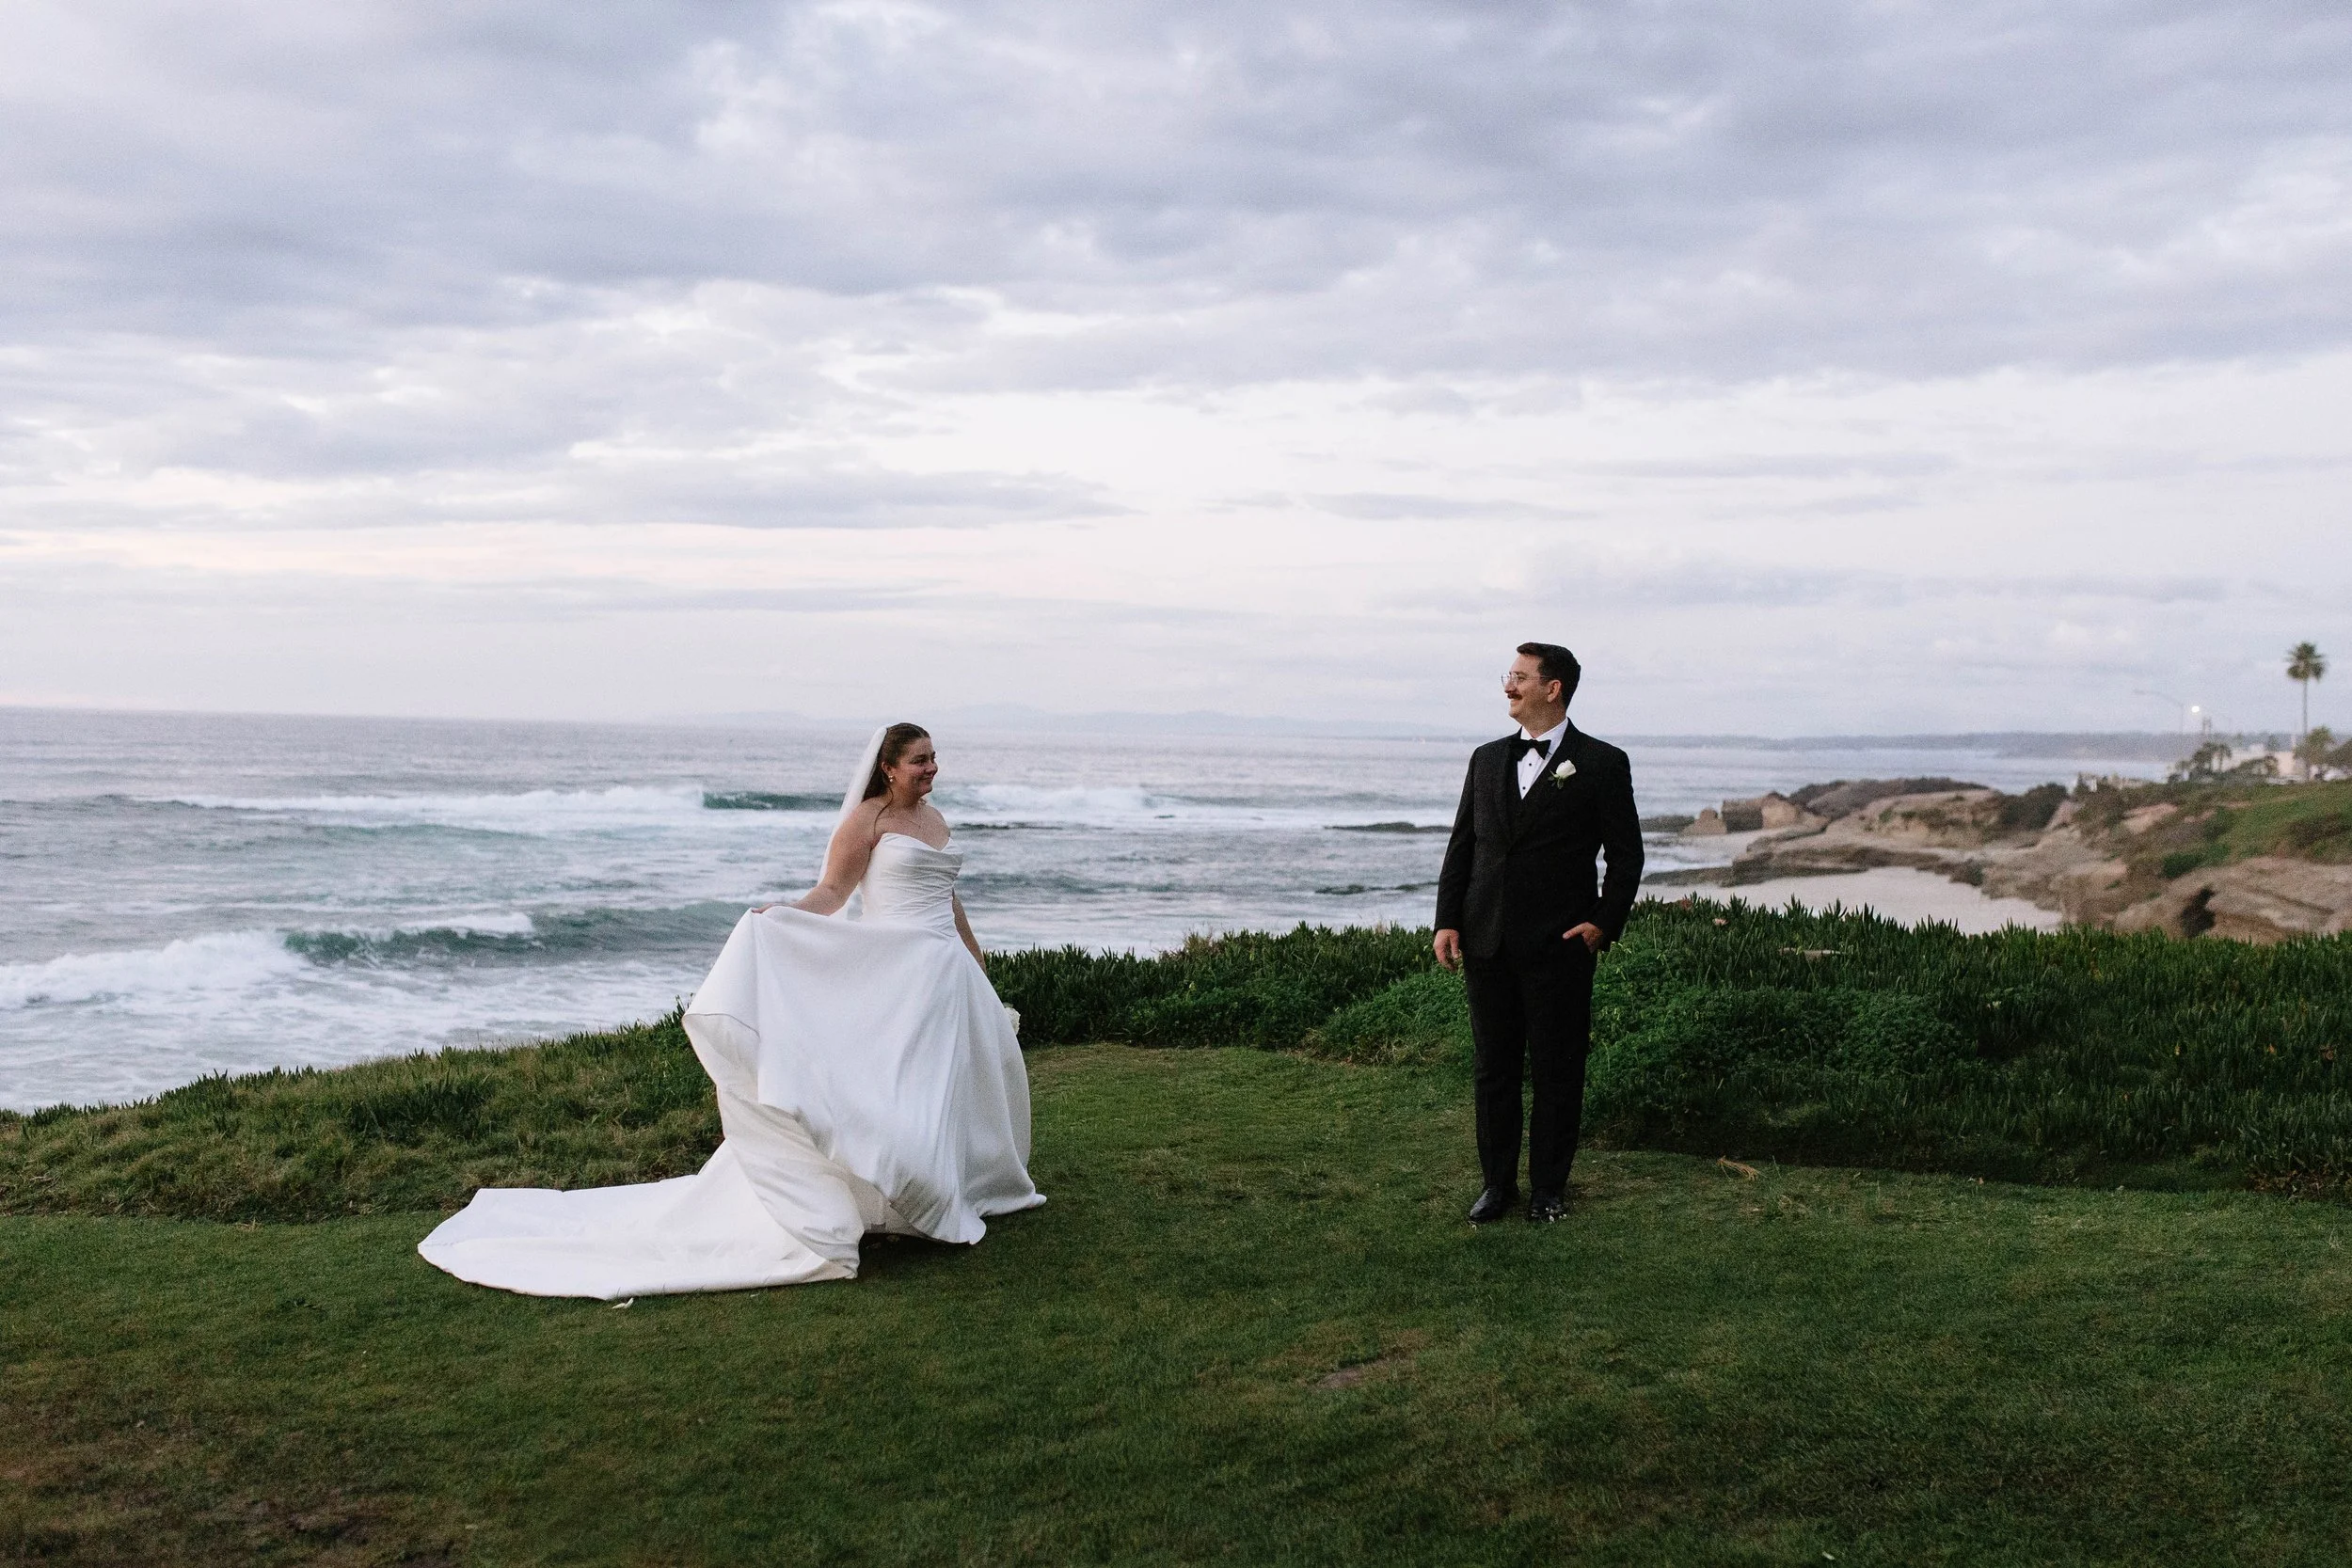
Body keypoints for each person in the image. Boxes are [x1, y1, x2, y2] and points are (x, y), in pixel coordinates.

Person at [418, 723, 1044, 1298]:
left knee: (942, 1087)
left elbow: (945, 892)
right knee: (890, 1087)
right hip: (896, 972)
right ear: (887, 767)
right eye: (918, 760)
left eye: (934, 757)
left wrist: (973, 953)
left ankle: (935, 1195)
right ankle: (904, 1199)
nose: (931, 767)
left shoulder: (934, 818)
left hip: (945, 975)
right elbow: (833, 891)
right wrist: (783, 917)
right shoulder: (868, 819)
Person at [1433, 643, 1643, 1225]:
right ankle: (1495, 1187)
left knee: (1557, 1070)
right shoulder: (1485, 758)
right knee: (1492, 1069)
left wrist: (1603, 922)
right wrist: (1447, 919)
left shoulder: (1602, 762)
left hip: (1561, 945)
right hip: (1486, 939)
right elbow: (1463, 846)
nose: (1508, 686)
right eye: (1509, 675)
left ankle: (1549, 1189)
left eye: (1519, 677)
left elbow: (1626, 857)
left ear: (1553, 689)